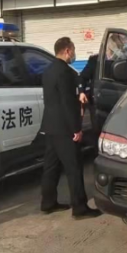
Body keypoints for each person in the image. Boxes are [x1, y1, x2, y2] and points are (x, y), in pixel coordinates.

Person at [40, 37, 101, 219]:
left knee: (51, 167)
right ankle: (80, 208)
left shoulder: (49, 70)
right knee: (74, 168)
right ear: (67, 51)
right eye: (73, 50)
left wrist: (80, 91)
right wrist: (76, 129)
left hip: (50, 126)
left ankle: (48, 202)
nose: (74, 54)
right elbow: (67, 104)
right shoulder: (64, 72)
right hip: (65, 128)